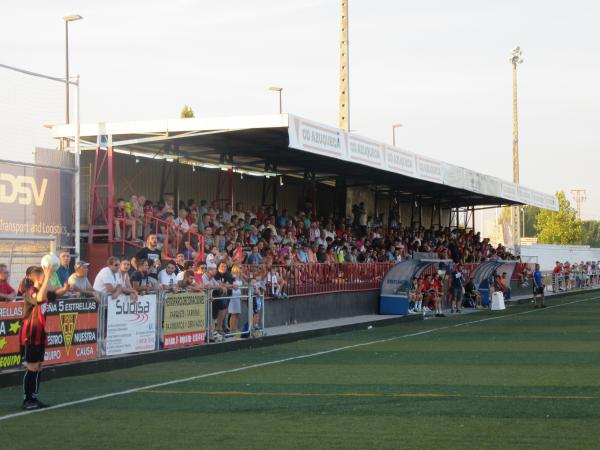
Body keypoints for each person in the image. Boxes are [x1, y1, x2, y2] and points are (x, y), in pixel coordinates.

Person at [20, 265, 55, 409]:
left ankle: (34, 398)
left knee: (39, 367)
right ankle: (27, 400)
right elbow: (39, 298)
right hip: (30, 336)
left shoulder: (43, 290)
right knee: (32, 367)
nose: (44, 277)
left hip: (40, 336)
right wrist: (47, 277)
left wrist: (65, 288)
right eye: (41, 275)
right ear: (35, 278)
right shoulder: (30, 291)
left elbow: (53, 293)